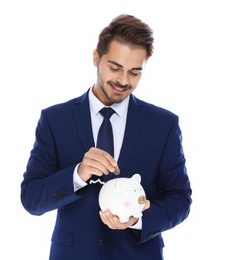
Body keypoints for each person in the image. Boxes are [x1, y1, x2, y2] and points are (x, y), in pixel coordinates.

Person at [21, 14, 192, 260]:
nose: (123, 80)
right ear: (96, 58)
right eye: (115, 68)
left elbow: (180, 199)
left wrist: (139, 219)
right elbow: (31, 199)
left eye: (135, 72)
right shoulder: (55, 119)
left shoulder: (163, 124)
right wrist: (76, 175)